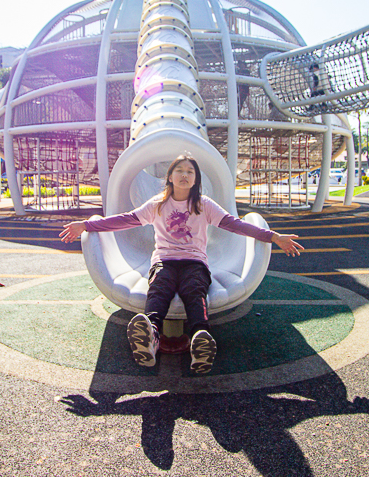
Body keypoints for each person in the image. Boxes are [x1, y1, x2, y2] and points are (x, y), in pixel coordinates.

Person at [60, 153, 303, 374]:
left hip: (194, 262)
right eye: (180, 170)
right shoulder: (158, 204)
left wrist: (274, 237)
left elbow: (234, 224)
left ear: (196, 179)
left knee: (194, 291)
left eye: (190, 171)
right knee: (159, 288)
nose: (185, 175)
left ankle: (200, 339)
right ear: (170, 176)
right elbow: (126, 220)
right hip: (164, 262)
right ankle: (151, 335)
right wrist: (87, 225)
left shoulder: (203, 204)